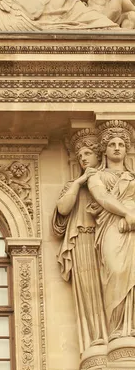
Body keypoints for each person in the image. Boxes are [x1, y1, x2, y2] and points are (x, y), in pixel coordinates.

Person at [53, 129, 107, 355]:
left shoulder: (109, 181)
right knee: (89, 290)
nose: (83, 158)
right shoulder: (73, 185)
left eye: (88, 153)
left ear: (98, 156)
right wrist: (80, 182)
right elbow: (64, 208)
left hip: (108, 237)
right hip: (83, 238)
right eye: (80, 154)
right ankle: (97, 338)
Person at [87, 121, 135, 342]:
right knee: (115, 272)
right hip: (110, 228)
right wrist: (127, 213)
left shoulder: (133, 177)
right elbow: (102, 198)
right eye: (112, 144)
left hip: (131, 228)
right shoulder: (97, 176)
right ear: (104, 149)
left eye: (121, 144)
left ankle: (131, 326)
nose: (117, 147)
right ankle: (116, 328)